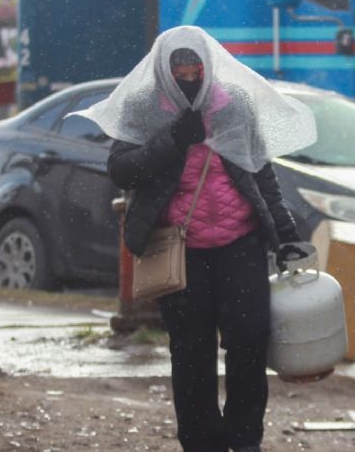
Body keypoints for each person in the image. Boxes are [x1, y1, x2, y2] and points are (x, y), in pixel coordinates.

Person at [75, 26, 317, 452]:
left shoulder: (234, 105)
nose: (188, 72)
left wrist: (286, 237)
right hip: (179, 251)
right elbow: (122, 171)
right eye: (179, 65)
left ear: (209, 64)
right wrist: (172, 141)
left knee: (249, 340)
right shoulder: (144, 106)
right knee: (191, 354)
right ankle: (201, 441)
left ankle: (244, 439)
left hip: (240, 244)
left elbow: (260, 172)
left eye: (195, 64)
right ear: (164, 68)